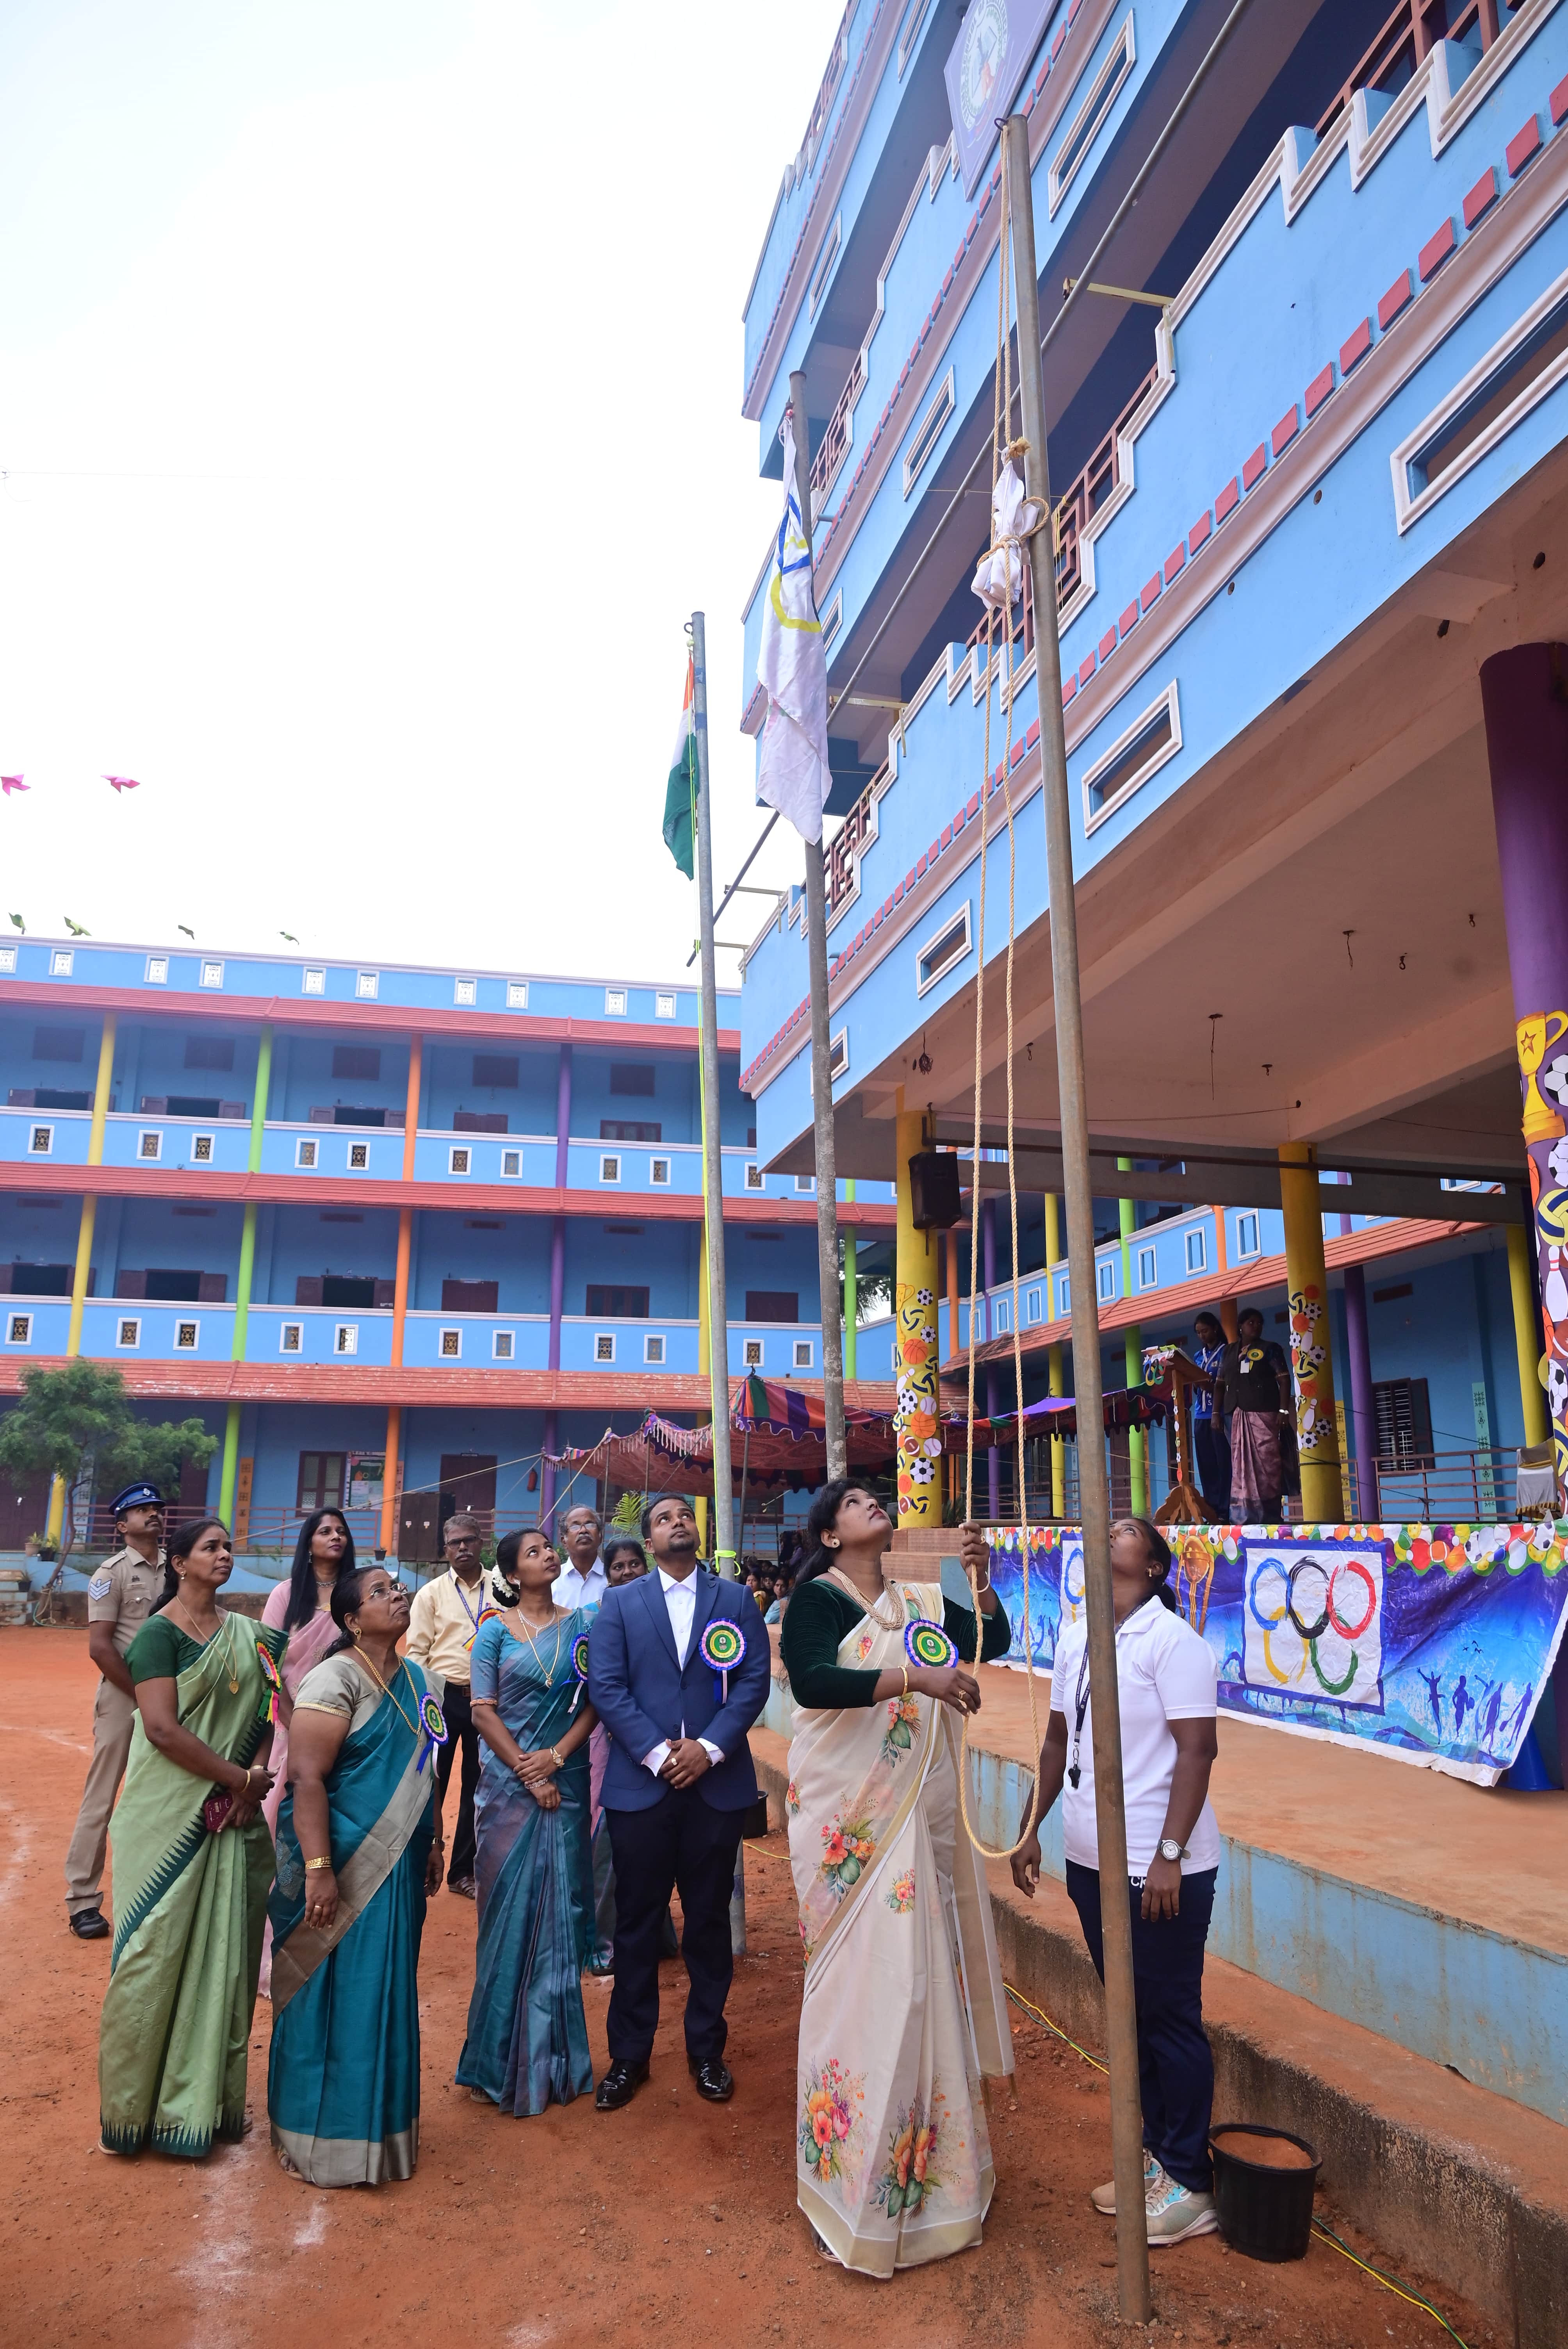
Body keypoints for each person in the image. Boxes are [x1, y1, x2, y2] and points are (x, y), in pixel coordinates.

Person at [780, 1482, 1013, 2275]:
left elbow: (990, 1637)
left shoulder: (920, 1592)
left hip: (915, 1815)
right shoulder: (817, 1599)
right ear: (829, 1532)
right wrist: (916, 1680)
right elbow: (813, 1682)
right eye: (853, 1501)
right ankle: (847, 2187)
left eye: (874, 1497)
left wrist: (979, 1580)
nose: (872, 1503)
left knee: (919, 1983)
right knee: (867, 1985)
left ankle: (936, 2188)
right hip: (852, 1822)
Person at [1011, 1517, 1222, 2246]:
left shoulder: (1173, 1642)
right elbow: (1056, 1741)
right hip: (1089, 1859)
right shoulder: (1076, 1637)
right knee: (1131, 2017)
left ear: (1155, 1567)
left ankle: (1191, 2180)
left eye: (1127, 1530)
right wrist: (1030, 1827)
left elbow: (1197, 1752)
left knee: (1167, 2016)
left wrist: (1169, 1853)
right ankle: (1156, 2155)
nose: (1110, 1531)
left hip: (1157, 1867)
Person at [98, 1517, 283, 2157]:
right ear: (179, 1563)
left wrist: (251, 1779)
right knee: (150, 1956)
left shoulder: (252, 1636)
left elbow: (267, 1709)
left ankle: (202, 2108)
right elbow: (160, 1729)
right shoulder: (157, 1635)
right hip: (166, 1818)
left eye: (228, 1546)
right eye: (211, 1548)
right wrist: (239, 1780)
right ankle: (131, 2115)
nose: (225, 1555)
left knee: (225, 1960)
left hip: (234, 1814)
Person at [586, 1494, 770, 2109]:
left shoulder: (736, 1600)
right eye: (664, 1519)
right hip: (642, 1787)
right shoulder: (619, 1603)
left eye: (684, 1515)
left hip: (715, 1786)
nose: (677, 1522)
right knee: (637, 1924)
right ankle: (629, 2057)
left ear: (698, 1530)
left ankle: (707, 2050)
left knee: (709, 1921)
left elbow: (753, 1682)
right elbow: (607, 1687)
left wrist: (709, 1750)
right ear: (649, 1541)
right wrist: (657, 1753)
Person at [267, 1563, 444, 2185]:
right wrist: (319, 1871)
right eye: (380, 1592)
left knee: (383, 1985)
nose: (397, 1595)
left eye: (398, 1587)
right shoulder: (335, 1677)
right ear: (351, 1619)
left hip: (401, 1862)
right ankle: (309, 2134)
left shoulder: (422, 1680)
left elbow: (426, 1768)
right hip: (341, 1863)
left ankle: (380, 2133)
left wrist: (434, 1840)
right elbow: (306, 1778)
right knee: (324, 1992)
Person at [458, 1528, 599, 2113]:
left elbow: (596, 1702)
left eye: (549, 1548)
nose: (549, 1555)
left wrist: (556, 1759)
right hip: (507, 1793)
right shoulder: (493, 1630)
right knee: (506, 1917)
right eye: (535, 1551)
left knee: (562, 1908)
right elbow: (481, 1711)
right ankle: (495, 2062)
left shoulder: (584, 1624)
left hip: (565, 1781)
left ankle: (555, 2062)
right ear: (513, 1574)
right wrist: (527, 1770)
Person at [256, 1507, 357, 1995]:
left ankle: (331, 1951)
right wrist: (295, 1724)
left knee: (339, 1834)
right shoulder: (285, 1595)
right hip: (288, 1730)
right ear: (308, 1542)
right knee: (280, 1835)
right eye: (325, 1530)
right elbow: (266, 1663)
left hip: (346, 1732)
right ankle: (271, 1956)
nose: (335, 1536)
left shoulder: (355, 1595)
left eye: (341, 1531)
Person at [64, 1481, 169, 1940]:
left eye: (157, 1508)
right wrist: (143, 1695)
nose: (153, 1513)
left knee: (169, 1793)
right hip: (124, 1696)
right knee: (102, 1795)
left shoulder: (179, 1566)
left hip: (173, 1696)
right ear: (122, 1525)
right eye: (142, 1509)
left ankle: (161, 1892)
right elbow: (101, 1647)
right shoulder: (111, 1574)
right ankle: (82, 1899)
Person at [404, 1510, 492, 1895]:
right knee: (431, 1781)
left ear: (481, 1543)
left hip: (487, 1701)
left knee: (478, 1784)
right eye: (455, 1543)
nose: (463, 1547)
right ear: (445, 1550)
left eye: (469, 1540)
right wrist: (423, 1704)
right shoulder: (431, 1594)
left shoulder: (503, 1587)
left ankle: (462, 1873)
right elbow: (417, 1653)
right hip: (442, 1700)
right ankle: (420, 1861)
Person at [1215, 1306, 1292, 1522]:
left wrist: (1284, 1410)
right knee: (1240, 1465)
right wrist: (1215, 1413)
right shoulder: (1228, 1352)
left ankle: (1270, 1515)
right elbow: (1219, 1385)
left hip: (1264, 1414)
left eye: (1259, 1323)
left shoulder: (1271, 1349)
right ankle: (1242, 1515)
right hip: (1234, 1415)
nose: (1256, 1326)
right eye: (1251, 1323)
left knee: (1268, 1463)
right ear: (1240, 1326)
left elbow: (1284, 1380)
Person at [1189, 1312, 1231, 1519]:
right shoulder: (1198, 1356)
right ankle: (1211, 1511)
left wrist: (1211, 1386)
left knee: (1223, 1463)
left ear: (1215, 1328)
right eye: (1198, 1333)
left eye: (1205, 1331)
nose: (1202, 1336)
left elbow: (1228, 1384)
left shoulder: (1227, 1352)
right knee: (1206, 1465)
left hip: (1220, 1415)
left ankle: (1225, 1510)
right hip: (1200, 1416)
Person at [553, 1503, 608, 1610]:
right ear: (564, 1541)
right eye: (575, 1526)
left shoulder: (612, 1579)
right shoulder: (552, 1581)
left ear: (600, 1537)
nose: (583, 1530)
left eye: (590, 1525)